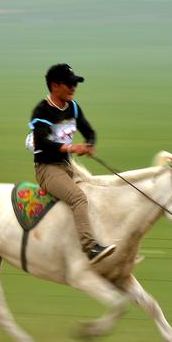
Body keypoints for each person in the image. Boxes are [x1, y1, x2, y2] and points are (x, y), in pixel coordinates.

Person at [28, 63, 116, 263]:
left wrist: (90, 144)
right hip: (47, 169)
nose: (73, 88)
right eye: (69, 84)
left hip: (67, 166)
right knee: (78, 198)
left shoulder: (74, 108)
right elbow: (41, 142)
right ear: (54, 85)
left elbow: (89, 132)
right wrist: (70, 148)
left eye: (74, 84)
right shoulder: (42, 111)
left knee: (97, 193)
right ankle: (90, 248)